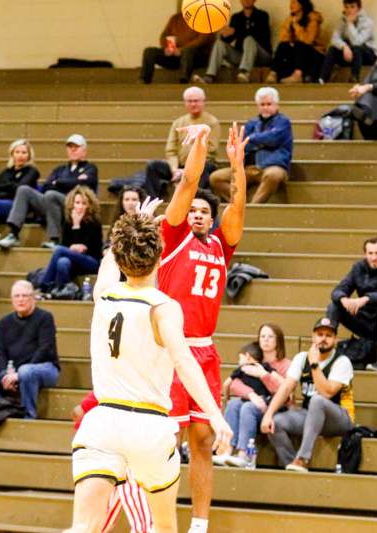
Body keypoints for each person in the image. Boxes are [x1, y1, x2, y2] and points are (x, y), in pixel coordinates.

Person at [65, 212, 231, 533]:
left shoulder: (103, 296)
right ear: (160, 259)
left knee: (83, 527)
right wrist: (214, 414)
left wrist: (130, 226)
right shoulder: (163, 306)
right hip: (148, 425)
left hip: (101, 422)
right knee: (162, 526)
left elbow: (109, 263)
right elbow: (184, 362)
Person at [156, 123, 247, 533]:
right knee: (165, 444)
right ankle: (159, 522)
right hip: (170, 352)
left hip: (204, 352)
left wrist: (237, 164)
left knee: (202, 443)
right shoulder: (172, 235)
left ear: (210, 219)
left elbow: (239, 206)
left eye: (203, 212)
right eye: (193, 209)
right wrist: (199, 145)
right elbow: (190, 181)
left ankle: (199, 526)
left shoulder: (220, 245)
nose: (196, 214)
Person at [260, 317, 354, 472]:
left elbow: (327, 393)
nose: (323, 339)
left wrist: (315, 364)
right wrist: (268, 414)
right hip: (311, 417)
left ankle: (302, 458)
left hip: (339, 419)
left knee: (317, 400)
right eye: (320, 334)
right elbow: (285, 388)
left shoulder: (342, 361)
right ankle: (292, 465)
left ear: (335, 340)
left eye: (328, 336)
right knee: (276, 422)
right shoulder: (302, 358)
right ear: (313, 336)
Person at [0, 280, 59, 419]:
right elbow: (1, 353)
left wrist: (18, 374)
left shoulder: (45, 318)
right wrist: (4, 375)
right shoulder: (4, 322)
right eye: (17, 296)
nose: (21, 299)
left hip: (45, 369)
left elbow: (45, 349)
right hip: (16, 371)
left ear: (33, 299)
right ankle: (3, 409)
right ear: (12, 300)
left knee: (26, 371)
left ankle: (28, 416)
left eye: (25, 296)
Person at [73, 391, 156, 533]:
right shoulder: (119, 384)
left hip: (103, 448)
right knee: (144, 524)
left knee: (96, 520)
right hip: (115, 449)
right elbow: (78, 412)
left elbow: (77, 412)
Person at [0, 134, 98, 249]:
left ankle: (55, 239)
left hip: (74, 207)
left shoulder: (90, 168)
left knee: (51, 195)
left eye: (76, 147)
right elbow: (47, 186)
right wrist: (70, 182)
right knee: (24, 190)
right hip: (52, 203)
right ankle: (13, 234)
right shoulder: (60, 169)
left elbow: (83, 186)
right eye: (70, 147)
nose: (73, 150)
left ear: (84, 151)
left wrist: (58, 183)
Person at [215, 323, 290, 467]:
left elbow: (286, 392)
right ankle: (227, 451)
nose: (266, 340)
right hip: (255, 402)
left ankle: (244, 454)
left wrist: (264, 376)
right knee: (234, 404)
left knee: (247, 408)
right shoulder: (254, 359)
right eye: (262, 336)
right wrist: (251, 394)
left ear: (278, 340)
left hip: (274, 407)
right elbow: (234, 384)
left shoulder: (285, 364)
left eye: (270, 336)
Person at [327, 237, 377, 372]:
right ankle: (327, 348)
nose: (374, 258)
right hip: (365, 320)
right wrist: (344, 299)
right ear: (365, 254)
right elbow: (337, 291)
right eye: (370, 253)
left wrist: (366, 298)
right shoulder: (358, 267)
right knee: (334, 305)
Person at [209, 87, 293, 204]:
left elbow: (272, 139)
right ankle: (240, 202)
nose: (265, 107)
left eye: (269, 104)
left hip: (271, 166)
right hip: (248, 168)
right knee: (216, 177)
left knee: (273, 175)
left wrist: (252, 139)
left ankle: (254, 206)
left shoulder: (283, 122)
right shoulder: (251, 123)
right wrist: (256, 141)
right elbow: (240, 145)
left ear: (276, 105)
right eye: (262, 104)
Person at [145, 87, 221, 197]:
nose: (193, 104)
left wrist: (187, 170)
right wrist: (175, 170)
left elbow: (210, 150)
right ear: (185, 103)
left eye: (196, 101)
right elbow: (171, 151)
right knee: (153, 166)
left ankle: (194, 200)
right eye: (190, 101)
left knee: (203, 167)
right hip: (179, 165)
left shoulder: (212, 122)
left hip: (202, 164)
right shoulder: (178, 123)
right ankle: (153, 201)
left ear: (203, 102)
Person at [38, 186, 103, 298]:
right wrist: (74, 226)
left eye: (84, 203)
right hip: (73, 261)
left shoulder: (94, 223)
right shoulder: (68, 222)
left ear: (89, 205)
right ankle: (58, 292)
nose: (80, 206)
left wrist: (77, 227)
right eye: (77, 203)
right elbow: (66, 245)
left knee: (59, 250)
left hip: (91, 261)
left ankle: (43, 285)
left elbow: (91, 248)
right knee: (62, 262)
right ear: (72, 204)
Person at [192, 0, 272, 84]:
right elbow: (229, 38)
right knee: (219, 44)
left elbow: (258, 35)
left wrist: (235, 31)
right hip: (242, 56)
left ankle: (245, 72)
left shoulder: (263, 15)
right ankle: (209, 76)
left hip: (262, 55)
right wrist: (224, 34)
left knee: (249, 39)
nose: (247, 1)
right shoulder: (236, 17)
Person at [139, 11, 216, 84]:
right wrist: (167, 48)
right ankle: (144, 79)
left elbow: (203, 39)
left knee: (188, 51)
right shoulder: (175, 18)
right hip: (175, 56)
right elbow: (164, 35)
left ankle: (184, 79)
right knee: (149, 51)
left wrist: (181, 50)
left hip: (197, 57)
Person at [265, 0, 326, 84]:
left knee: (299, 44)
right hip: (298, 53)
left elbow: (308, 40)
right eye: (290, 2)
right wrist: (290, 37)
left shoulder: (313, 18)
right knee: (283, 45)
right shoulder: (290, 19)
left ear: (301, 4)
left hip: (314, 53)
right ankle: (273, 73)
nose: (291, 5)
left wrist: (296, 26)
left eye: (294, 2)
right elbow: (283, 37)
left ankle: (298, 75)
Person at [318, 0, 377, 84]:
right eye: (346, 7)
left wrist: (350, 23)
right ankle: (322, 78)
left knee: (357, 48)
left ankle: (354, 77)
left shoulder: (368, 22)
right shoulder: (342, 20)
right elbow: (334, 39)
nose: (349, 10)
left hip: (367, 55)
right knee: (332, 49)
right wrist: (344, 47)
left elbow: (357, 42)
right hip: (350, 54)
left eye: (352, 7)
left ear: (359, 8)